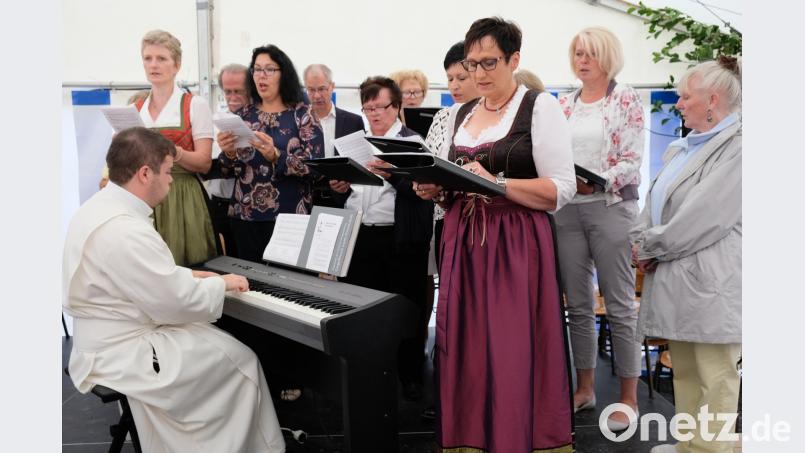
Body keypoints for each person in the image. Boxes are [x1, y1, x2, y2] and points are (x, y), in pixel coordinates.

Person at [63, 127, 285, 453]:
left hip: (103, 339)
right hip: (124, 351)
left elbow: (142, 279)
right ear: (143, 173)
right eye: (167, 172)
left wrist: (187, 275)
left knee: (220, 346)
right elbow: (173, 302)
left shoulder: (99, 208)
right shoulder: (125, 228)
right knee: (242, 360)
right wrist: (218, 282)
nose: (170, 180)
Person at [415, 17, 576, 452]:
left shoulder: (539, 107)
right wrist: (436, 188)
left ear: (514, 59)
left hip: (516, 246)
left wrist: (496, 183)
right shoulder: (459, 114)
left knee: (509, 353)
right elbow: (453, 186)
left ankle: (514, 440)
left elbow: (561, 189)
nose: (479, 73)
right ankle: (470, 441)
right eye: (472, 64)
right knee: (467, 352)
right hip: (463, 244)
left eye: (489, 63)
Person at [632, 57, 742, 453]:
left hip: (713, 282)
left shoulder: (741, 148)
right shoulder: (685, 148)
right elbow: (653, 202)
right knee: (687, 372)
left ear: (712, 100)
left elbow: (704, 216)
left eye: (684, 96)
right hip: (679, 278)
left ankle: (710, 449)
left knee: (716, 375)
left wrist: (648, 246)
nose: (678, 104)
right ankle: (690, 446)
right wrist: (642, 240)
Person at [555, 26, 645, 431]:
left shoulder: (625, 97)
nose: (582, 60)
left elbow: (631, 159)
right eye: (577, 53)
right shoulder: (562, 103)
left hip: (610, 207)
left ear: (607, 56)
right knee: (576, 305)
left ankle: (629, 396)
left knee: (621, 305)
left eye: (589, 53)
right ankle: (585, 387)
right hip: (568, 211)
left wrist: (600, 180)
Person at [329, 76, 433, 402]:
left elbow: (422, 193)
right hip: (361, 234)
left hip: (399, 238)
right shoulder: (357, 142)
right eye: (368, 108)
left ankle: (410, 374)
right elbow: (352, 192)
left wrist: (393, 176)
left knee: (406, 309)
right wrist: (340, 186)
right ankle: (371, 371)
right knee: (363, 307)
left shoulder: (412, 141)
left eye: (380, 107)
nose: (374, 114)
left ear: (397, 107)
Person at [216, 44, 324, 263]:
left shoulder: (303, 114)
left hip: (290, 219)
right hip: (245, 216)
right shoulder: (243, 115)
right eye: (256, 69)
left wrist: (276, 155)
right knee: (251, 286)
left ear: (283, 74)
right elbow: (227, 171)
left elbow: (317, 169)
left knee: (288, 287)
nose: (261, 76)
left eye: (269, 69)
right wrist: (228, 153)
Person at [135, 30, 217, 266]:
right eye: (148, 58)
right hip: (143, 198)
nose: (153, 65)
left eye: (161, 59)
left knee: (183, 268)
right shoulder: (136, 108)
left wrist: (175, 152)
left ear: (176, 65)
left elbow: (204, 163)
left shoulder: (194, 105)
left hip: (181, 195)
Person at [302, 63, 365, 207]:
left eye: (322, 89)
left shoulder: (353, 122)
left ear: (332, 86)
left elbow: (361, 162)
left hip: (342, 198)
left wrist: (347, 181)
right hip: (306, 199)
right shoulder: (297, 121)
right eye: (311, 90)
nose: (317, 95)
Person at [205, 63, 250, 257]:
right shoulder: (214, 120)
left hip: (247, 206)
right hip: (219, 204)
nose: (232, 98)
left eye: (238, 91)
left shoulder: (260, 119)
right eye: (227, 91)